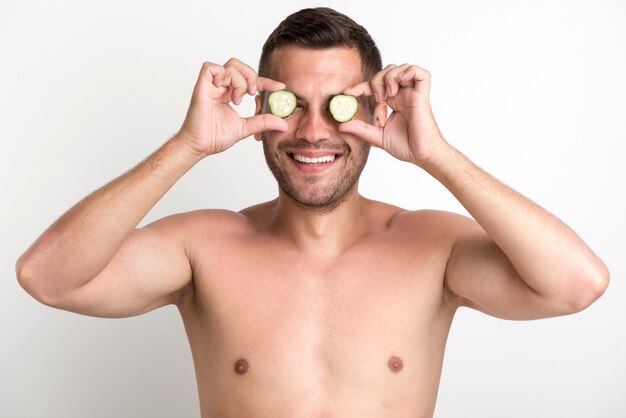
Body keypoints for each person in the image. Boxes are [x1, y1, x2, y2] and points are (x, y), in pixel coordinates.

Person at [16, 7, 609, 418]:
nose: (314, 131)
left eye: (339, 105)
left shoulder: (433, 248)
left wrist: (437, 155)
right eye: (290, 104)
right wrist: (188, 145)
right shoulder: (204, 247)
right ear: (256, 114)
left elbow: (577, 285)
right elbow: (46, 276)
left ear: (375, 110)